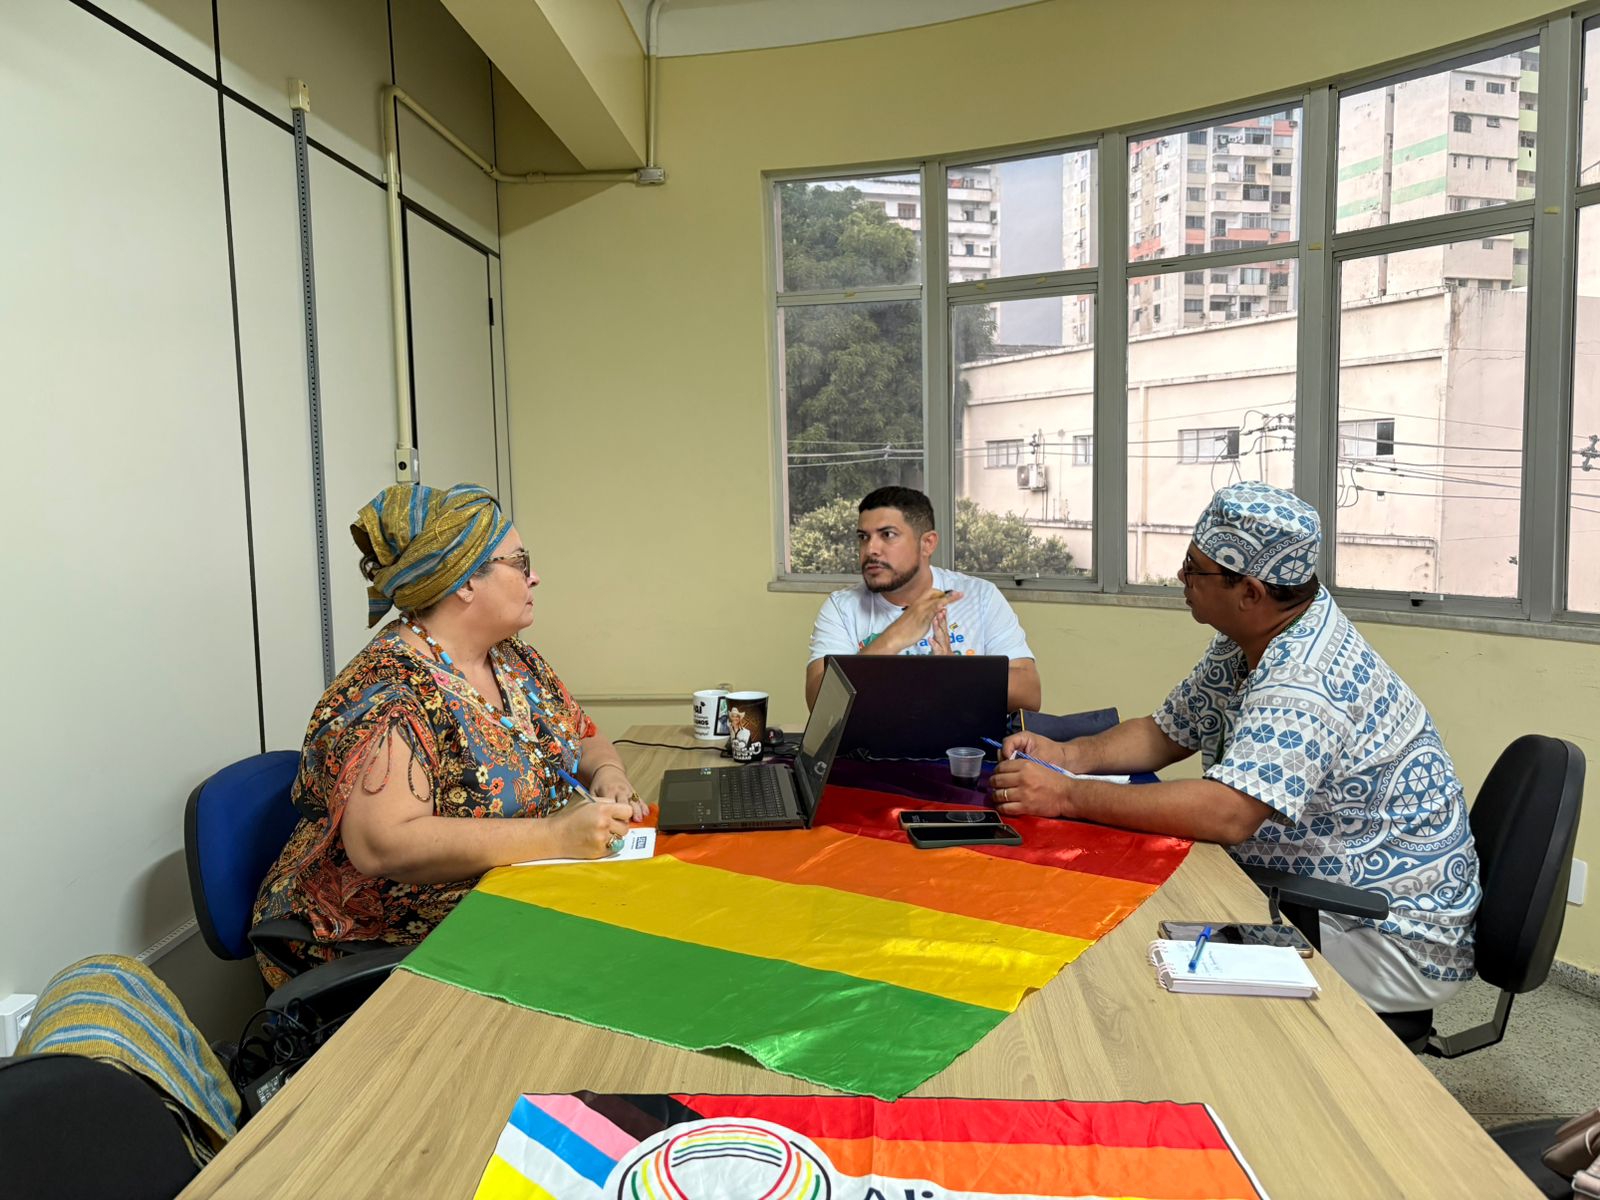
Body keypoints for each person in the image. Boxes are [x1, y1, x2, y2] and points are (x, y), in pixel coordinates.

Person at [991, 481, 1480, 1014]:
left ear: (1250, 592)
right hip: (1309, 886)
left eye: (1194, 569)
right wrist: (1067, 757)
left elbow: (1227, 813)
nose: (1181, 578)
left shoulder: (1305, 678)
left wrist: (1066, 796)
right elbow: (1167, 731)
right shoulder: (1257, 633)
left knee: (1137, 965)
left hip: (1381, 932)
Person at [251, 482, 645, 988]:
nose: (536, 577)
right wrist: (554, 836)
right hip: (368, 930)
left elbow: (582, 734)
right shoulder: (391, 692)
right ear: (464, 583)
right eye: (520, 563)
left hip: (497, 892)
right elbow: (382, 845)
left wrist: (609, 774)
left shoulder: (511, 657)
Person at [805, 486, 1042, 713]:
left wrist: (954, 672)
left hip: (962, 752)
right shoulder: (841, 607)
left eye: (887, 535)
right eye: (863, 537)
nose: (871, 549)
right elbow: (821, 706)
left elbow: (1030, 695)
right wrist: (892, 639)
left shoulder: (980, 596)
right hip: (871, 752)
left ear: (927, 543)